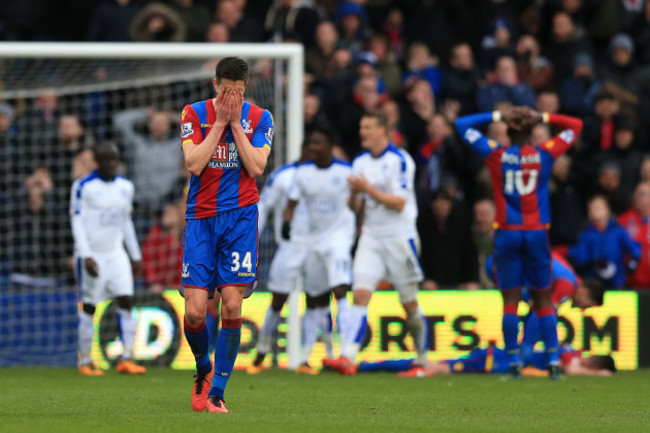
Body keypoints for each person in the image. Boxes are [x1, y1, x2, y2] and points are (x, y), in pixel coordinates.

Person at [455, 105, 583, 380]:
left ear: (509, 133)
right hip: (536, 232)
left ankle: (513, 363)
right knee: (544, 299)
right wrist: (544, 117)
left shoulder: (496, 154)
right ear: (531, 132)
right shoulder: (544, 153)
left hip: (507, 232)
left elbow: (462, 124)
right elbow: (575, 126)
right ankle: (552, 361)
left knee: (510, 302)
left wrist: (498, 115)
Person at [179, 57, 273, 414]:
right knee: (194, 312)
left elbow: (256, 166)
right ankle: (203, 367)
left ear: (245, 88)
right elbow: (194, 164)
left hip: (240, 220)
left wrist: (235, 125)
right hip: (201, 219)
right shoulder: (193, 114)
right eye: (225, 89)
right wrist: (220, 123)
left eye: (237, 91)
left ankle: (217, 391)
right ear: (214, 84)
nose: (231, 96)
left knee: (232, 304)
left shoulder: (260, 118)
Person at [324, 110, 427, 376]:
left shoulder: (400, 161)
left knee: (409, 303)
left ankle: (422, 360)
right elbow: (353, 206)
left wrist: (367, 189)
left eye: (367, 127)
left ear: (383, 129)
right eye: (361, 127)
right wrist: (356, 193)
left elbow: (399, 203)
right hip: (371, 237)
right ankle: (348, 358)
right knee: (360, 294)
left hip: (399, 238)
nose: (362, 132)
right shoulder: (359, 162)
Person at [283, 126, 356, 374]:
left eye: (318, 143)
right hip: (313, 240)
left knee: (340, 289)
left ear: (329, 146)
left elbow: (360, 202)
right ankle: (305, 358)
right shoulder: (302, 173)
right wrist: (286, 223)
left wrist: (358, 231)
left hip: (338, 239)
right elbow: (291, 203)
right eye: (310, 143)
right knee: (314, 297)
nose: (313, 148)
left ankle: (347, 354)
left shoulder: (346, 171)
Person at [70, 142, 145, 376]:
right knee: (90, 306)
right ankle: (85, 362)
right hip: (93, 254)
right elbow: (77, 221)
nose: (112, 164)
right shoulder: (83, 186)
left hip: (116, 253)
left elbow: (126, 222)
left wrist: (135, 255)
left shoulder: (126, 187)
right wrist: (85, 255)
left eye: (115, 159)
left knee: (126, 300)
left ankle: (127, 358)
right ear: (97, 161)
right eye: (107, 160)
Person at [247, 145, 314, 374]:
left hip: (318, 247)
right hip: (288, 246)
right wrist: (251, 240)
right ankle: (262, 352)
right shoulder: (282, 176)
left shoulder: (326, 175)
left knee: (319, 299)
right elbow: (264, 206)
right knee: (278, 300)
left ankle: (309, 358)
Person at [358, 344, 616, 378]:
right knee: (439, 367)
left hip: (498, 359)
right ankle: (417, 375)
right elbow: (570, 369)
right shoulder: (572, 355)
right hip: (495, 359)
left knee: (435, 364)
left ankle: (365, 366)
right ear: (594, 364)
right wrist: (600, 377)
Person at [568, 195, 640, 289]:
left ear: (608, 210)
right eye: (592, 208)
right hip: (594, 282)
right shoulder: (585, 235)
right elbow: (581, 257)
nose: (595, 211)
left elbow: (633, 248)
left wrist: (633, 262)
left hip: (617, 281)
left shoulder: (618, 231)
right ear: (589, 214)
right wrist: (592, 262)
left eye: (598, 207)